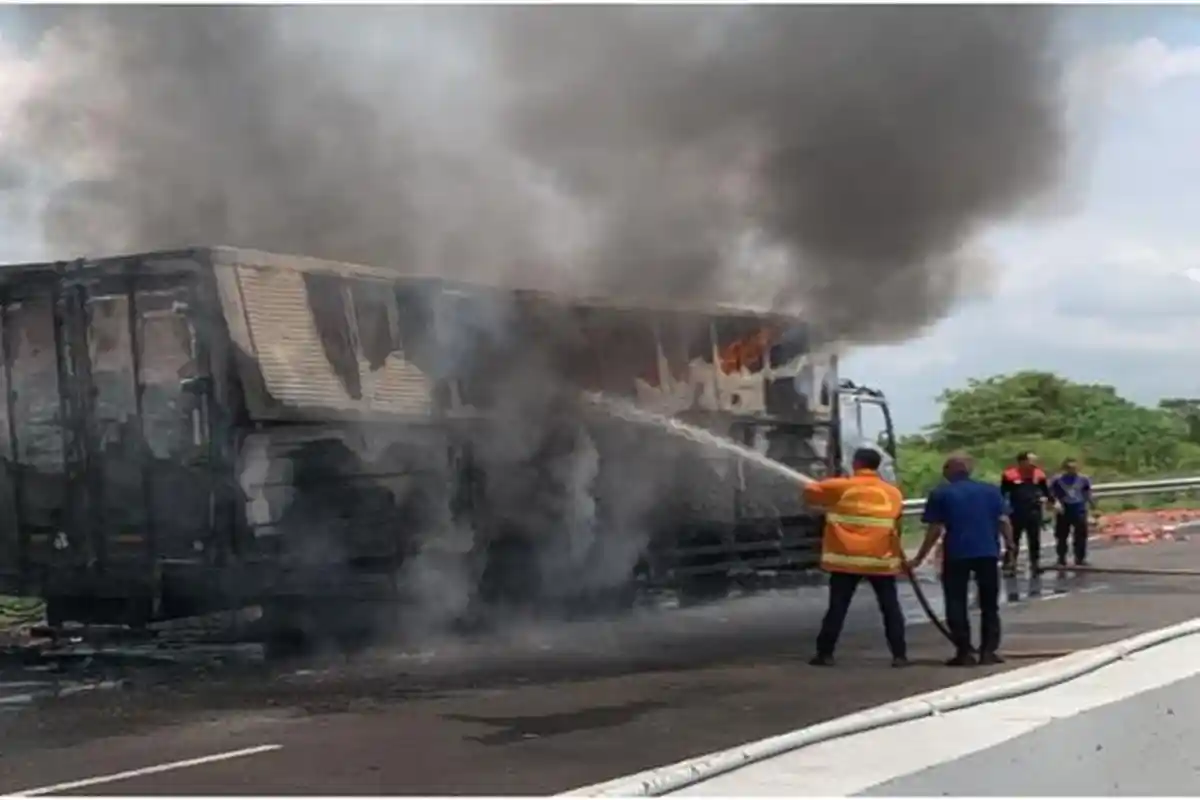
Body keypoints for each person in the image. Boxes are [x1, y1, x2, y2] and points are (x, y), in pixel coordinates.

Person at [805, 447, 908, 669]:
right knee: (890, 608)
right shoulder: (892, 493)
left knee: (837, 608)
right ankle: (900, 655)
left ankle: (825, 654)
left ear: (856, 464)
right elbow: (897, 525)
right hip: (880, 561)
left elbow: (810, 491)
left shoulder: (841, 486)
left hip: (846, 560)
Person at [911, 455, 1015, 667]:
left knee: (956, 603)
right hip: (987, 552)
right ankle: (988, 652)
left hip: (957, 553)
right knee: (989, 604)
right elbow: (1004, 521)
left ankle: (964, 652)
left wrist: (919, 558)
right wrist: (1011, 547)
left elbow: (935, 529)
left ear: (949, 471)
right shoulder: (990, 491)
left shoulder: (941, 493)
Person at [999, 451, 1053, 593]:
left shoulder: (1039, 474)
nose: (1034, 463)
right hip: (1016, 512)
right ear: (1022, 462)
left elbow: (1046, 492)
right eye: (1031, 460)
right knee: (1013, 540)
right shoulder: (1010, 475)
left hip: (1034, 511)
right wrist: (1002, 510)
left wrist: (1052, 502)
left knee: (1034, 539)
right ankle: (1010, 564)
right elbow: (1002, 494)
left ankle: (1035, 564)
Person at [1050, 458, 1095, 567]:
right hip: (1064, 508)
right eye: (1069, 468)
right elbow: (1051, 494)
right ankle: (1061, 558)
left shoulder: (1083, 479)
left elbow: (1087, 493)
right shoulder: (1058, 480)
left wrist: (1092, 505)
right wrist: (1054, 503)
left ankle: (1080, 558)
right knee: (1061, 535)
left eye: (1074, 468)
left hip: (1078, 508)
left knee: (1081, 535)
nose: (1072, 470)